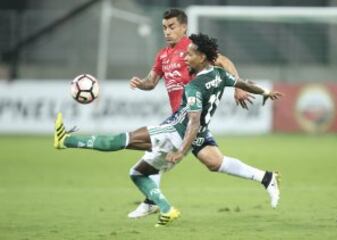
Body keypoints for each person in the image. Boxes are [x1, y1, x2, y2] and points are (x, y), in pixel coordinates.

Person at [54, 33, 283, 227]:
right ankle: (165, 209)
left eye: (190, 53)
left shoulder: (194, 86)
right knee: (146, 172)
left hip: (174, 131)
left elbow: (192, 122)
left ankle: (67, 141)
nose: (185, 56)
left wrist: (181, 151)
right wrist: (265, 92)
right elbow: (243, 83)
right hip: (191, 133)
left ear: (202, 57)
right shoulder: (220, 75)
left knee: (123, 140)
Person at [127, 8, 259, 218]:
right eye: (164, 28)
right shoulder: (162, 55)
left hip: (191, 115)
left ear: (183, 27)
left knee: (156, 151)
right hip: (181, 118)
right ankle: (265, 178)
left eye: (171, 27)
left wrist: (238, 87)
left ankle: (151, 201)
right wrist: (140, 83)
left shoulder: (193, 49)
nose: (167, 32)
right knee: (213, 161)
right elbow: (151, 82)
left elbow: (224, 62)